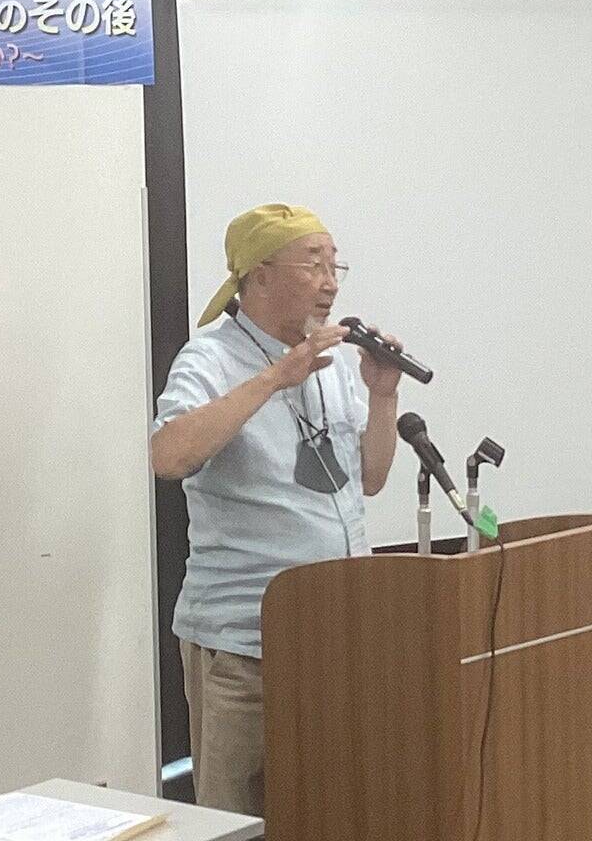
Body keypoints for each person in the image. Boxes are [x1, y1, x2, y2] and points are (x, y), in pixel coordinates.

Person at [150, 204, 402, 816]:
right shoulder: (209, 359)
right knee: (238, 820)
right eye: (313, 265)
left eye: (335, 266)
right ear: (259, 275)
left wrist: (383, 396)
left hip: (335, 632)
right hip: (245, 644)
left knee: (327, 811)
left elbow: (368, 479)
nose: (331, 283)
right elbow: (168, 455)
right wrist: (273, 380)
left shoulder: (329, 362)